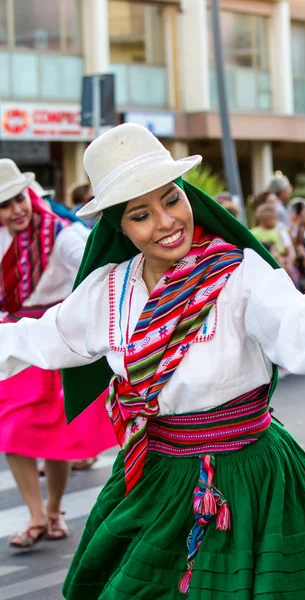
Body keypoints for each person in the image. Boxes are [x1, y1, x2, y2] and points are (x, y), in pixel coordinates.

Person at [1, 125, 305, 599]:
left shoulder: (238, 272)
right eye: (141, 214)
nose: (166, 222)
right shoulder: (108, 291)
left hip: (248, 476)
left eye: (172, 200)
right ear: (120, 226)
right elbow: (45, 336)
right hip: (157, 474)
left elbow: (298, 319)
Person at [0, 159, 116, 549]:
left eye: (18, 199)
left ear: (29, 196)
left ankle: (53, 510)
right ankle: (35, 515)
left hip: (54, 337)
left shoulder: (61, 234)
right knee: (13, 431)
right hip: (13, 339)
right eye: (4, 205)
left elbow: (94, 263)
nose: (15, 210)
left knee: (58, 434)